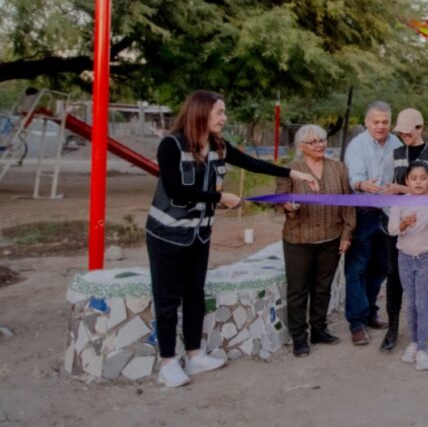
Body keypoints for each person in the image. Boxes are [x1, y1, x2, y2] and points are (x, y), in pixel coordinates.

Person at [146, 90, 318, 387]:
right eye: (220, 113)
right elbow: (175, 191)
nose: (224, 119)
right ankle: (168, 362)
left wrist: (294, 174)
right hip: (168, 236)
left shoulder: (219, 146)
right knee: (167, 299)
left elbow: (254, 164)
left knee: (195, 294)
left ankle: (194, 354)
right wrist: (219, 197)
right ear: (201, 113)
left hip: (199, 234)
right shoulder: (171, 146)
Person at [276, 124, 354, 357]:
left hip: (331, 238)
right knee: (298, 290)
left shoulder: (338, 168)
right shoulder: (290, 170)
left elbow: (347, 203)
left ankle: (319, 329)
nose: (320, 145)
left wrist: (347, 233)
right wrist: (287, 207)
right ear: (301, 146)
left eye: (322, 140)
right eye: (313, 142)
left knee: (323, 289)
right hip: (299, 239)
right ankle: (299, 337)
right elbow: (281, 201)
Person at [343, 101, 401, 346]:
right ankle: (356, 322)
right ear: (366, 122)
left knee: (381, 266)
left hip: (389, 212)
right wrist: (362, 185)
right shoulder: (356, 146)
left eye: (385, 122)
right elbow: (354, 177)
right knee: (357, 268)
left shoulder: (397, 144)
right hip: (363, 212)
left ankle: (369, 312)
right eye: (376, 122)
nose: (380, 126)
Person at [387, 162, 428, 371]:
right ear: (406, 181)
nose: (418, 182)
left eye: (423, 178)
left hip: (427, 257)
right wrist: (403, 224)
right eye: (413, 178)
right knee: (411, 302)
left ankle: (422, 348)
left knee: (423, 303)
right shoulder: (400, 203)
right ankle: (413, 342)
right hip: (404, 257)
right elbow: (392, 229)